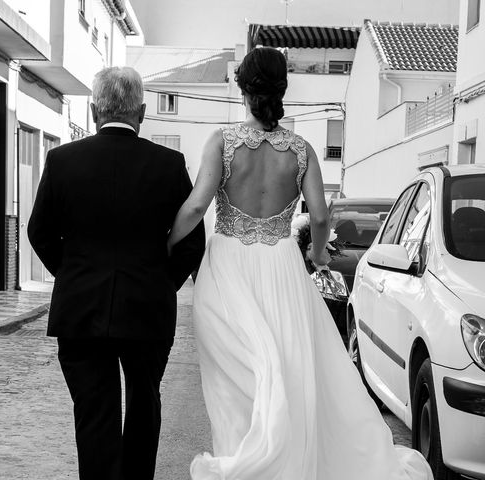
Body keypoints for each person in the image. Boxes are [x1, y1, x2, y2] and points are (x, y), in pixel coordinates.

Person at [167, 47, 433, 480]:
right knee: (290, 369)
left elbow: (197, 207)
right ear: (281, 89)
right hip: (281, 268)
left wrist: (165, 244)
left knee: (238, 377)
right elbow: (322, 215)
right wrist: (316, 253)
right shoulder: (302, 149)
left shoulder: (221, 141)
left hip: (228, 269)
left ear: (243, 87)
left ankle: (245, 460)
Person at [28, 66, 205, 480]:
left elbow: (38, 232)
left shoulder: (62, 160)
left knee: (94, 413)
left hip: (80, 309)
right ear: (141, 112)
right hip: (147, 309)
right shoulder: (169, 164)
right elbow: (192, 243)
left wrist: (72, 274)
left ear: (93, 111)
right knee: (145, 406)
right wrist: (162, 282)